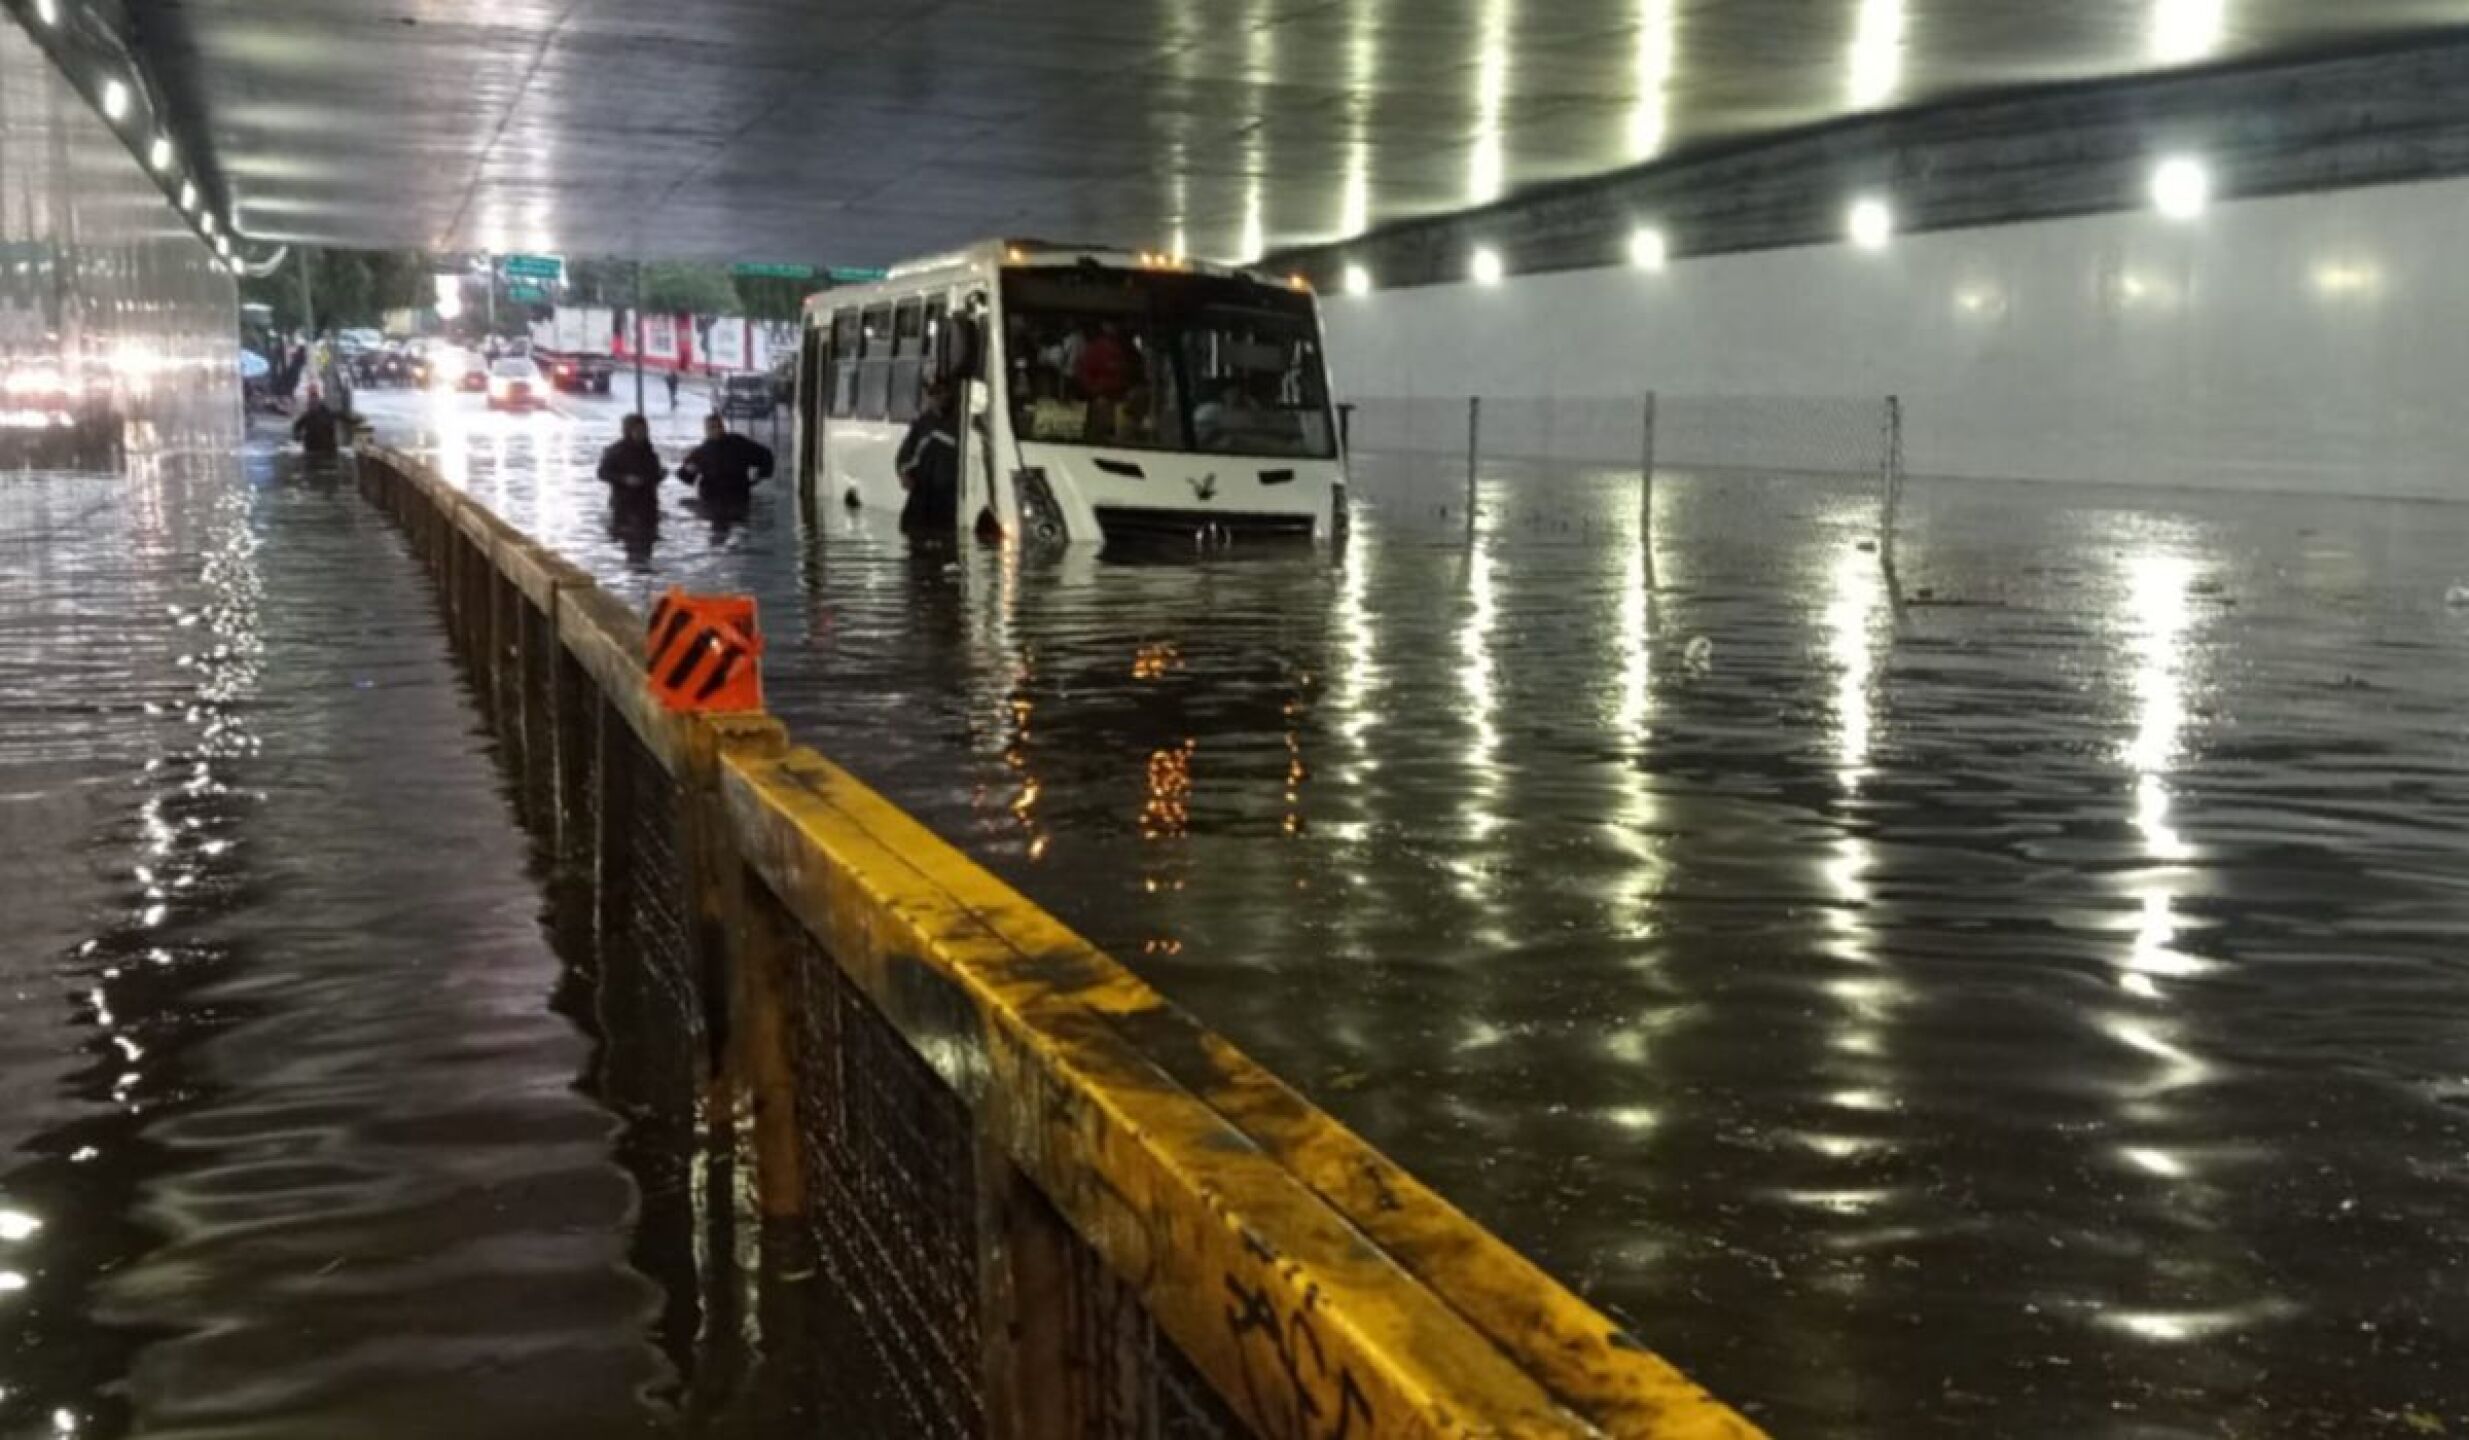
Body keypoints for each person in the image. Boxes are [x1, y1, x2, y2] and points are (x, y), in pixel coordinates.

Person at [676, 413, 775, 523]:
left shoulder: (739, 444)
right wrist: (687, 471)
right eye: (712, 428)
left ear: (723, 427)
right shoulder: (701, 452)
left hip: (738, 495)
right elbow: (685, 476)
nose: (716, 430)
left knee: (739, 522)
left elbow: (765, 455)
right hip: (712, 498)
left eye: (719, 427)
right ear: (706, 431)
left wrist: (761, 475)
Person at [895, 379, 961, 538]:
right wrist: (904, 475)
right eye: (934, 394)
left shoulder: (959, 423)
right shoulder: (923, 424)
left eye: (942, 393)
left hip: (949, 499)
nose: (939, 398)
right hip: (923, 498)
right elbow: (904, 457)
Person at [291, 385, 355, 457]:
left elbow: (342, 417)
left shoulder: (328, 413)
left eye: (314, 402)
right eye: (311, 403)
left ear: (319, 402)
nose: (312, 404)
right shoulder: (306, 417)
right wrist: (297, 436)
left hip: (328, 449)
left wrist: (353, 422)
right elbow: (296, 427)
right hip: (312, 450)